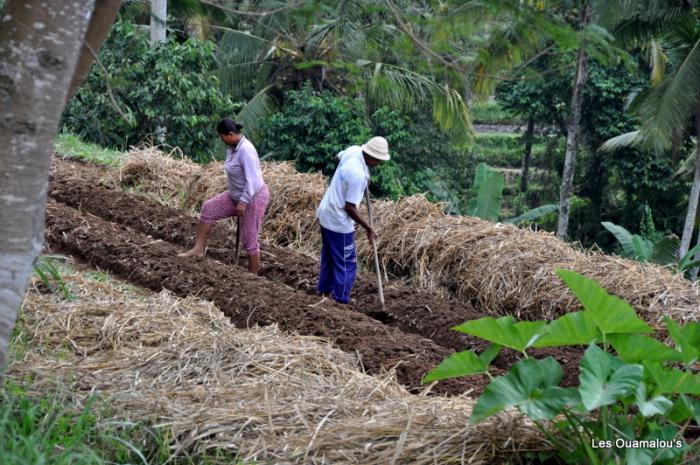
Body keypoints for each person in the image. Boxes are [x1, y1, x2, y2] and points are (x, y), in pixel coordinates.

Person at [179, 118, 270, 274]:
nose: (222, 141)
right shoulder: (232, 147)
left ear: (230, 134)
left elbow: (253, 181)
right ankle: (198, 250)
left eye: (223, 137)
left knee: (249, 239)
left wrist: (243, 202)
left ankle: (253, 277)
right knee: (208, 208)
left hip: (253, 197)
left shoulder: (246, 150)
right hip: (235, 196)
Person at [315, 136, 390, 304]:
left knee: (329, 257)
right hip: (338, 222)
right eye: (378, 160)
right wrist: (368, 228)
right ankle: (341, 300)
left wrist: (349, 179)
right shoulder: (358, 176)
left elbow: (337, 157)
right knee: (346, 263)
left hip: (326, 212)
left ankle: (324, 293)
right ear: (372, 157)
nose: (379, 163)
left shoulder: (353, 151)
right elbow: (350, 207)